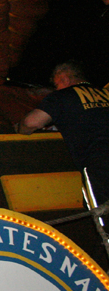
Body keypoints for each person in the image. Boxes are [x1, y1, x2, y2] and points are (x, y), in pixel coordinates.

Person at [17, 61, 109, 203]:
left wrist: (19, 129)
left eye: (57, 84)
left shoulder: (63, 96)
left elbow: (31, 122)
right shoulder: (105, 93)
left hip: (99, 165)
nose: (56, 88)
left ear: (65, 79)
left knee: (102, 211)